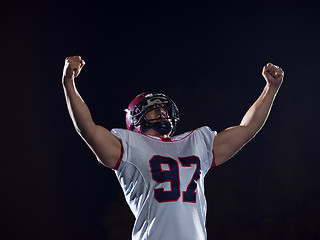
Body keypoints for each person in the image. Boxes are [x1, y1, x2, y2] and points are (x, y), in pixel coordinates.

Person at [62, 56, 284, 240]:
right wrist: (69, 84)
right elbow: (88, 129)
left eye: (164, 109)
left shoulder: (197, 142)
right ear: (136, 119)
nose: (161, 113)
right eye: (153, 109)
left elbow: (247, 128)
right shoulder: (128, 145)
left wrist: (270, 88)